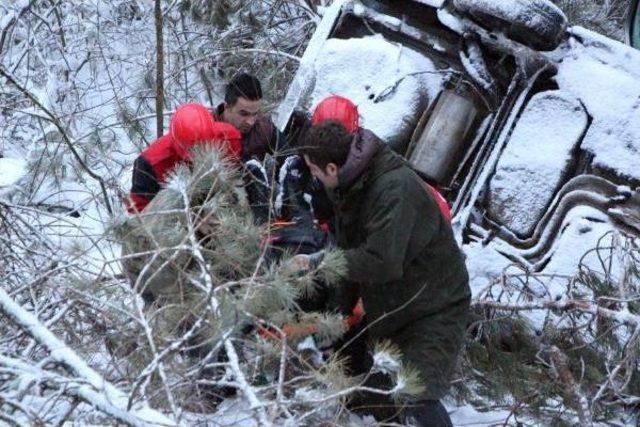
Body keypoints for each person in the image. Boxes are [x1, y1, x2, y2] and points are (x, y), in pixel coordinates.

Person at [296, 117, 471, 426]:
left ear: (332, 169)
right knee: (370, 398)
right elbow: (353, 251)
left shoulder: (392, 189)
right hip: (395, 306)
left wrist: (322, 261)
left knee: (415, 394)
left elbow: (381, 261)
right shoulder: (350, 186)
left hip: (435, 308)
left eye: (313, 170)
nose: (313, 178)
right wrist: (338, 314)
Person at [128, 103, 241, 213]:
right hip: (175, 219)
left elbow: (234, 178)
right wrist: (192, 219)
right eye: (192, 151)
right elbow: (139, 218)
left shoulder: (228, 139)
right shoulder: (150, 164)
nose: (197, 157)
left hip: (219, 203)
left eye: (204, 148)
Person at [214, 72, 286, 163]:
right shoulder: (205, 128)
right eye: (244, 114)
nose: (250, 122)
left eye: (255, 113)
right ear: (227, 107)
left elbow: (289, 159)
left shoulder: (263, 128)